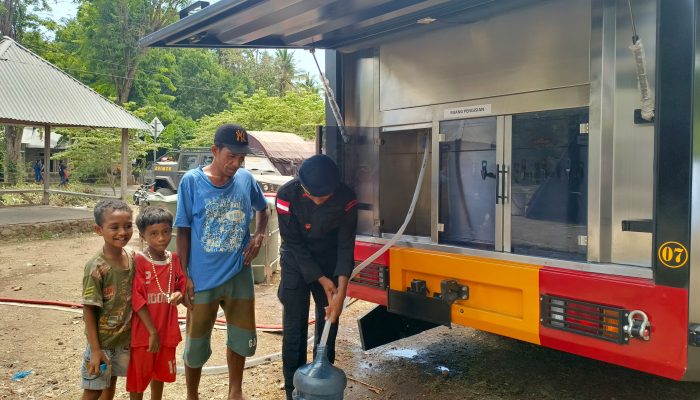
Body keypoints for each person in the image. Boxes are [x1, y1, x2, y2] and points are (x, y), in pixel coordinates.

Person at [175, 124, 269, 400]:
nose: (236, 163)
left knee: (240, 338)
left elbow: (264, 209)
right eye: (231, 156)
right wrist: (184, 276)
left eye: (241, 158)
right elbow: (182, 231)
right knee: (196, 344)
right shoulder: (192, 182)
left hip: (239, 275)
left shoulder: (246, 180)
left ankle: (235, 391)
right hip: (202, 278)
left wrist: (259, 236)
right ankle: (192, 394)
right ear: (214, 151)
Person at [275, 154, 358, 400]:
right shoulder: (286, 195)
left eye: (325, 196)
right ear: (302, 185)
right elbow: (293, 243)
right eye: (313, 195)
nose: (318, 200)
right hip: (295, 262)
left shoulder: (347, 199)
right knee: (294, 326)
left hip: (329, 261)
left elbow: (345, 246)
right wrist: (321, 279)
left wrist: (340, 291)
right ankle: (293, 389)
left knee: (328, 324)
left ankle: (321, 381)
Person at [127, 206, 185, 400]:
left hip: (167, 329)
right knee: (139, 377)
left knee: (159, 373)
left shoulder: (174, 259)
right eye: (154, 234)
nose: (161, 238)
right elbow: (137, 298)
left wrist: (179, 293)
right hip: (145, 332)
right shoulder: (139, 261)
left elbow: (182, 283)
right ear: (143, 236)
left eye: (166, 232)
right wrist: (152, 332)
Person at [81, 199, 134, 400]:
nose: (123, 232)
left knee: (110, 382)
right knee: (93, 389)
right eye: (114, 227)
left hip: (122, 340)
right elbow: (89, 309)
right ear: (98, 230)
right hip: (101, 343)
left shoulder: (131, 259)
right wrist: (95, 350)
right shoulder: (96, 267)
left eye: (128, 226)